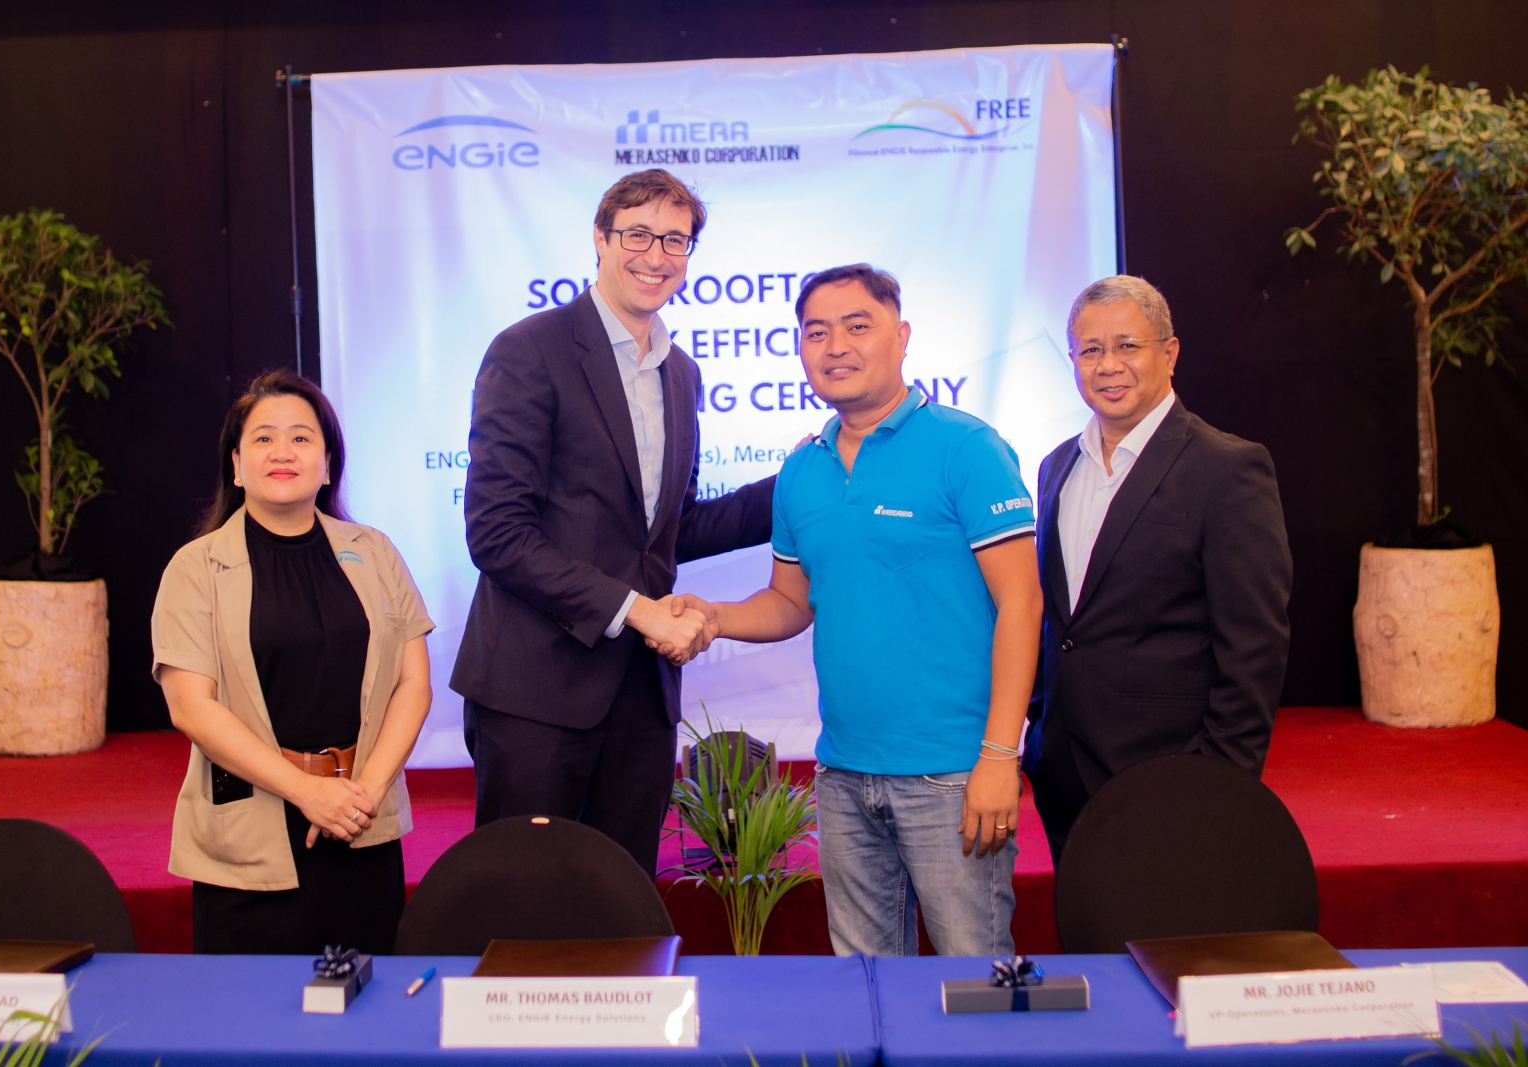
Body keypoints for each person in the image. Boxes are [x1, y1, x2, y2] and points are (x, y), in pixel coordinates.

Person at [665, 264, 1043, 956]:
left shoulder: (967, 448)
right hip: (842, 775)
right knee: (863, 987)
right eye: (816, 331)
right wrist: (713, 615)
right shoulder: (803, 469)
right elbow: (789, 601)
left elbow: (1022, 602)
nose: (834, 345)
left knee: (974, 979)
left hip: (953, 773)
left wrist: (999, 755)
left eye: (856, 326)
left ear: (901, 337)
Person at [450, 169, 776, 878]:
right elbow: (497, 532)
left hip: (640, 698)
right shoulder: (529, 350)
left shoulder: (680, 373)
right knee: (523, 905)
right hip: (535, 693)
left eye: (675, 240)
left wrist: (806, 484)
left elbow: (666, 531)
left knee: (620, 906)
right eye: (637, 234)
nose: (655, 255)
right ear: (599, 239)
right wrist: (637, 612)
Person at [152, 370, 434, 954]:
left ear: (328, 463)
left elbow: (414, 683)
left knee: (366, 1014)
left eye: (302, 438)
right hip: (251, 829)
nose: (283, 451)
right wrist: (308, 794)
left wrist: (363, 793)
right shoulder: (195, 567)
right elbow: (192, 709)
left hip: (361, 821)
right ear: (235, 465)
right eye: (263, 438)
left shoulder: (375, 552)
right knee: (251, 1026)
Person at [1023, 275, 1292, 863]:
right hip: (1064, 774)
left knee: (1170, 950)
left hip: (1172, 779)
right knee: (1091, 944)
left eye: (1127, 346)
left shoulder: (1228, 469)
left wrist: (1219, 780)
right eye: (1091, 350)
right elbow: (1061, 623)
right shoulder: (1055, 468)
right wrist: (1039, 730)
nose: (1108, 365)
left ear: (1169, 354)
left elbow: (1254, 647)